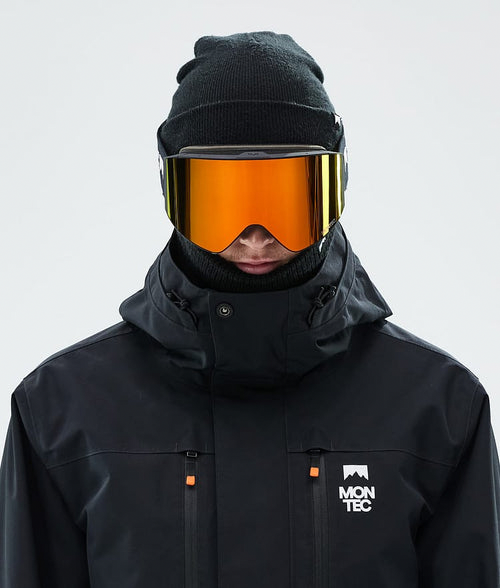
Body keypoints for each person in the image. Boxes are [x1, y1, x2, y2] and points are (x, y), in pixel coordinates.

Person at [0, 30, 499, 588]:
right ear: (171, 190)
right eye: (222, 200)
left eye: (286, 197)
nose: (256, 237)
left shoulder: (438, 408)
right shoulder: (62, 412)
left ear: (336, 184)